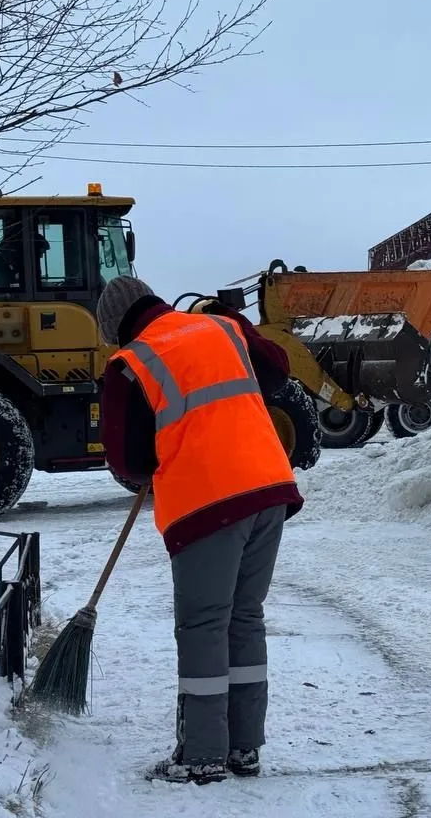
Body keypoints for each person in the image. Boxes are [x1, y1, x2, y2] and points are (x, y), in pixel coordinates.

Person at [96, 275, 303, 785]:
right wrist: (237, 320)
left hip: (209, 503)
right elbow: (278, 371)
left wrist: (155, 460)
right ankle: (243, 749)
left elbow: (127, 460)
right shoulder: (221, 328)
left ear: (117, 326)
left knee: (204, 624)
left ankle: (203, 755)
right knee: (244, 617)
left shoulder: (131, 364)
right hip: (269, 487)